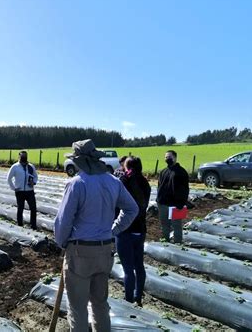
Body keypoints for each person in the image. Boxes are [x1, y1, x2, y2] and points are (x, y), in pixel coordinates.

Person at [54, 139, 139, 332]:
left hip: (80, 252)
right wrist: (113, 230)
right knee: (100, 304)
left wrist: (62, 242)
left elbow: (63, 222)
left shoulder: (76, 184)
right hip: (105, 251)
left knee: (77, 308)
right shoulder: (113, 181)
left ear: (80, 160)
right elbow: (132, 209)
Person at [116, 156, 151, 307]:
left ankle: (128, 300)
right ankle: (138, 297)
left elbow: (116, 206)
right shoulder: (145, 183)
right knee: (139, 265)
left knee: (128, 268)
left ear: (127, 166)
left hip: (125, 230)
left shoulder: (123, 182)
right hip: (140, 229)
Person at [157, 150, 189, 243]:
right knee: (164, 224)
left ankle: (178, 244)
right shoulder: (163, 172)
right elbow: (159, 186)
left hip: (176, 205)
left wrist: (181, 203)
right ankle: (165, 241)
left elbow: (185, 189)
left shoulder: (181, 172)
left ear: (175, 158)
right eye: (166, 157)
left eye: (169, 157)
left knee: (177, 226)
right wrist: (158, 200)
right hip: (162, 204)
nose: (167, 159)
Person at [7, 151, 38, 230]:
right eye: (22, 156)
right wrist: (14, 188)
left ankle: (33, 225)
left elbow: (35, 176)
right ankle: (20, 225)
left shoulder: (31, 167)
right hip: (20, 191)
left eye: (25, 156)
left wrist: (33, 182)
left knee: (33, 208)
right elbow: (9, 178)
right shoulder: (15, 167)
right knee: (20, 208)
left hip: (30, 191)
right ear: (19, 157)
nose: (24, 157)